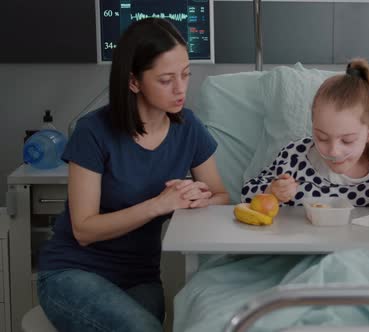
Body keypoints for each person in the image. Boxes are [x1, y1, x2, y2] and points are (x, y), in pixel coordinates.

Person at [37, 18, 229, 332]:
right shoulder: (93, 131)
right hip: (74, 272)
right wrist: (160, 204)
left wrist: (197, 198)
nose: (181, 88)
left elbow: (221, 195)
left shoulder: (188, 127)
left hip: (140, 277)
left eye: (185, 75)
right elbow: (84, 229)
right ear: (133, 82)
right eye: (166, 79)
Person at [241, 59, 369, 213]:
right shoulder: (295, 157)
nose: (333, 151)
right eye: (322, 137)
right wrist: (272, 191)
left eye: (347, 140)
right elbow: (246, 194)